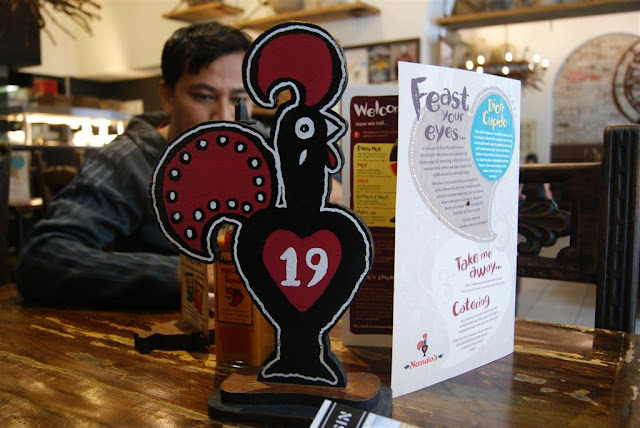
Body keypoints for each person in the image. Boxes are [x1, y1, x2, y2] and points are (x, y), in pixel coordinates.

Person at [16, 22, 254, 309]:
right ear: (167, 97)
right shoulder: (127, 162)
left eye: (239, 99)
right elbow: (43, 258)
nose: (225, 117)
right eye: (204, 96)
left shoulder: (264, 154)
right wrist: (190, 274)